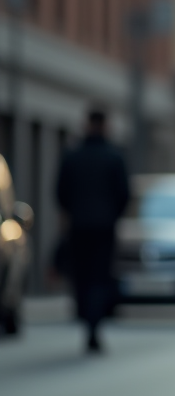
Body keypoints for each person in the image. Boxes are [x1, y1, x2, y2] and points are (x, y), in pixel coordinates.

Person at [56, 108, 130, 354]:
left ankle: (87, 317)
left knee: (82, 277)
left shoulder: (73, 156)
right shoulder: (114, 157)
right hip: (104, 228)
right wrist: (112, 216)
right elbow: (124, 195)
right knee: (99, 277)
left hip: (79, 226)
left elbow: (60, 192)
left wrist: (74, 212)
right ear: (106, 126)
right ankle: (94, 325)